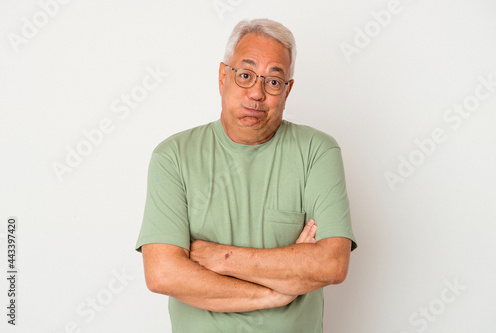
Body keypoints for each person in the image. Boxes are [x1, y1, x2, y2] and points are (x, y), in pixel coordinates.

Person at [135, 18, 357, 333]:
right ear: (223, 76)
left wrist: (221, 258)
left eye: (273, 81)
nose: (257, 92)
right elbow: (163, 274)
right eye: (245, 75)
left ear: (287, 90)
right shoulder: (173, 156)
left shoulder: (317, 152)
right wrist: (274, 294)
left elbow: (331, 265)